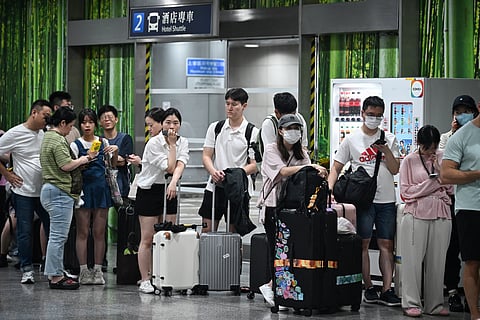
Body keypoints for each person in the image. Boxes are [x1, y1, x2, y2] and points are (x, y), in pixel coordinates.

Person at [327, 96, 401, 306]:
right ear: (362, 113)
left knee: (387, 244)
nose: (374, 119)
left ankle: (387, 289)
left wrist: (386, 150)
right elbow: (336, 168)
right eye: (370, 115)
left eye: (378, 116)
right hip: (363, 200)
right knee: (364, 243)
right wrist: (330, 190)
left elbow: (395, 169)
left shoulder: (390, 138)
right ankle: (368, 286)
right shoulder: (351, 139)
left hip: (387, 199)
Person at [257, 113, 328, 307]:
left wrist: (318, 170)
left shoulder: (302, 153)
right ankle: (271, 286)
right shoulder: (272, 150)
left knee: (293, 250)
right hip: (274, 207)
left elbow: (308, 172)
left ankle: (279, 287)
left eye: (296, 128)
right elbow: (282, 172)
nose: (293, 132)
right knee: (276, 249)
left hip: (295, 209)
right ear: (280, 131)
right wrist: (309, 167)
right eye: (289, 129)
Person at [399, 125, 453, 317]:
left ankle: (435, 304)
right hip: (415, 214)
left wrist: (440, 174)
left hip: (441, 213)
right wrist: (434, 182)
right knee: (412, 262)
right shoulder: (409, 161)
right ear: (419, 144)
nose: (431, 151)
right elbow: (406, 193)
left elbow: (452, 188)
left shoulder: (444, 157)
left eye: (434, 146)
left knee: (438, 262)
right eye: (427, 147)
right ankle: (411, 303)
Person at [135, 108, 189, 294]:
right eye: (168, 122)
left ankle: (166, 275)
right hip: (149, 190)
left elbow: (180, 165)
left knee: (168, 235)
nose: (172, 126)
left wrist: (174, 182)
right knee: (148, 238)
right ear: (162, 124)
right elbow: (170, 166)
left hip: (169, 189)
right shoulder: (154, 143)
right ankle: (145, 278)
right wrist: (172, 145)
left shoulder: (184, 141)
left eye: (175, 123)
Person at [40, 106, 95, 290]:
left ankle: (56, 271)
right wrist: (84, 159)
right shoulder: (57, 140)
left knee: (56, 236)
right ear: (62, 123)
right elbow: (66, 165)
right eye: (70, 126)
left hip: (51, 190)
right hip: (59, 191)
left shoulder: (47, 136)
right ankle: (55, 277)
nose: (71, 130)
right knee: (58, 237)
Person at [0, 99, 52, 284]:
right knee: (24, 230)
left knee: (51, 227)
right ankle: (26, 268)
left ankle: (50, 266)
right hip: (23, 191)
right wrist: (7, 174)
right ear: (34, 113)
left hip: (44, 190)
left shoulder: (44, 133)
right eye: (45, 116)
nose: (47, 120)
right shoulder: (15, 133)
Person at [198, 88, 258, 233]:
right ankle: (208, 257)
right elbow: (206, 155)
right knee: (207, 234)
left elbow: (255, 165)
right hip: (214, 187)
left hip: (238, 190)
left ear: (244, 106)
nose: (230, 108)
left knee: (234, 235)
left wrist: (233, 175)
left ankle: (232, 257)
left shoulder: (252, 132)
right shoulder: (216, 128)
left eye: (234, 104)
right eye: (227, 103)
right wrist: (213, 172)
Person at [440, 100, 480, 320]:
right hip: (470, 207)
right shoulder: (461, 136)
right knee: (472, 262)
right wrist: (476, 174)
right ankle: (474, 314)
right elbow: (446, 174)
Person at [70, 109, 118, 285]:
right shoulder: (75, 145)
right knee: (83, 232)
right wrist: (86, 159)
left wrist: (115, 152)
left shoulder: (103, 141)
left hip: (101, 190)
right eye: (84, 122)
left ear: (95, 124)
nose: (87, 125)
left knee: (99, 232)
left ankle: (98, 269)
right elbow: (72, 169)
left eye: (90, 122)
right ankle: (83, 270)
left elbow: (112, 166)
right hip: (83, 190)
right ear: (80, 125)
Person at [97, 104, 134, 203]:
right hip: (102, 184)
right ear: (100, 122)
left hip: (121, 183)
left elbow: (122, 162)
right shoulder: (97, 141)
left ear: (116, 119)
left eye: (110, 117)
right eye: (104, 118)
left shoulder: (125, 138)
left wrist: (105, 160)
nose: (107, 120)